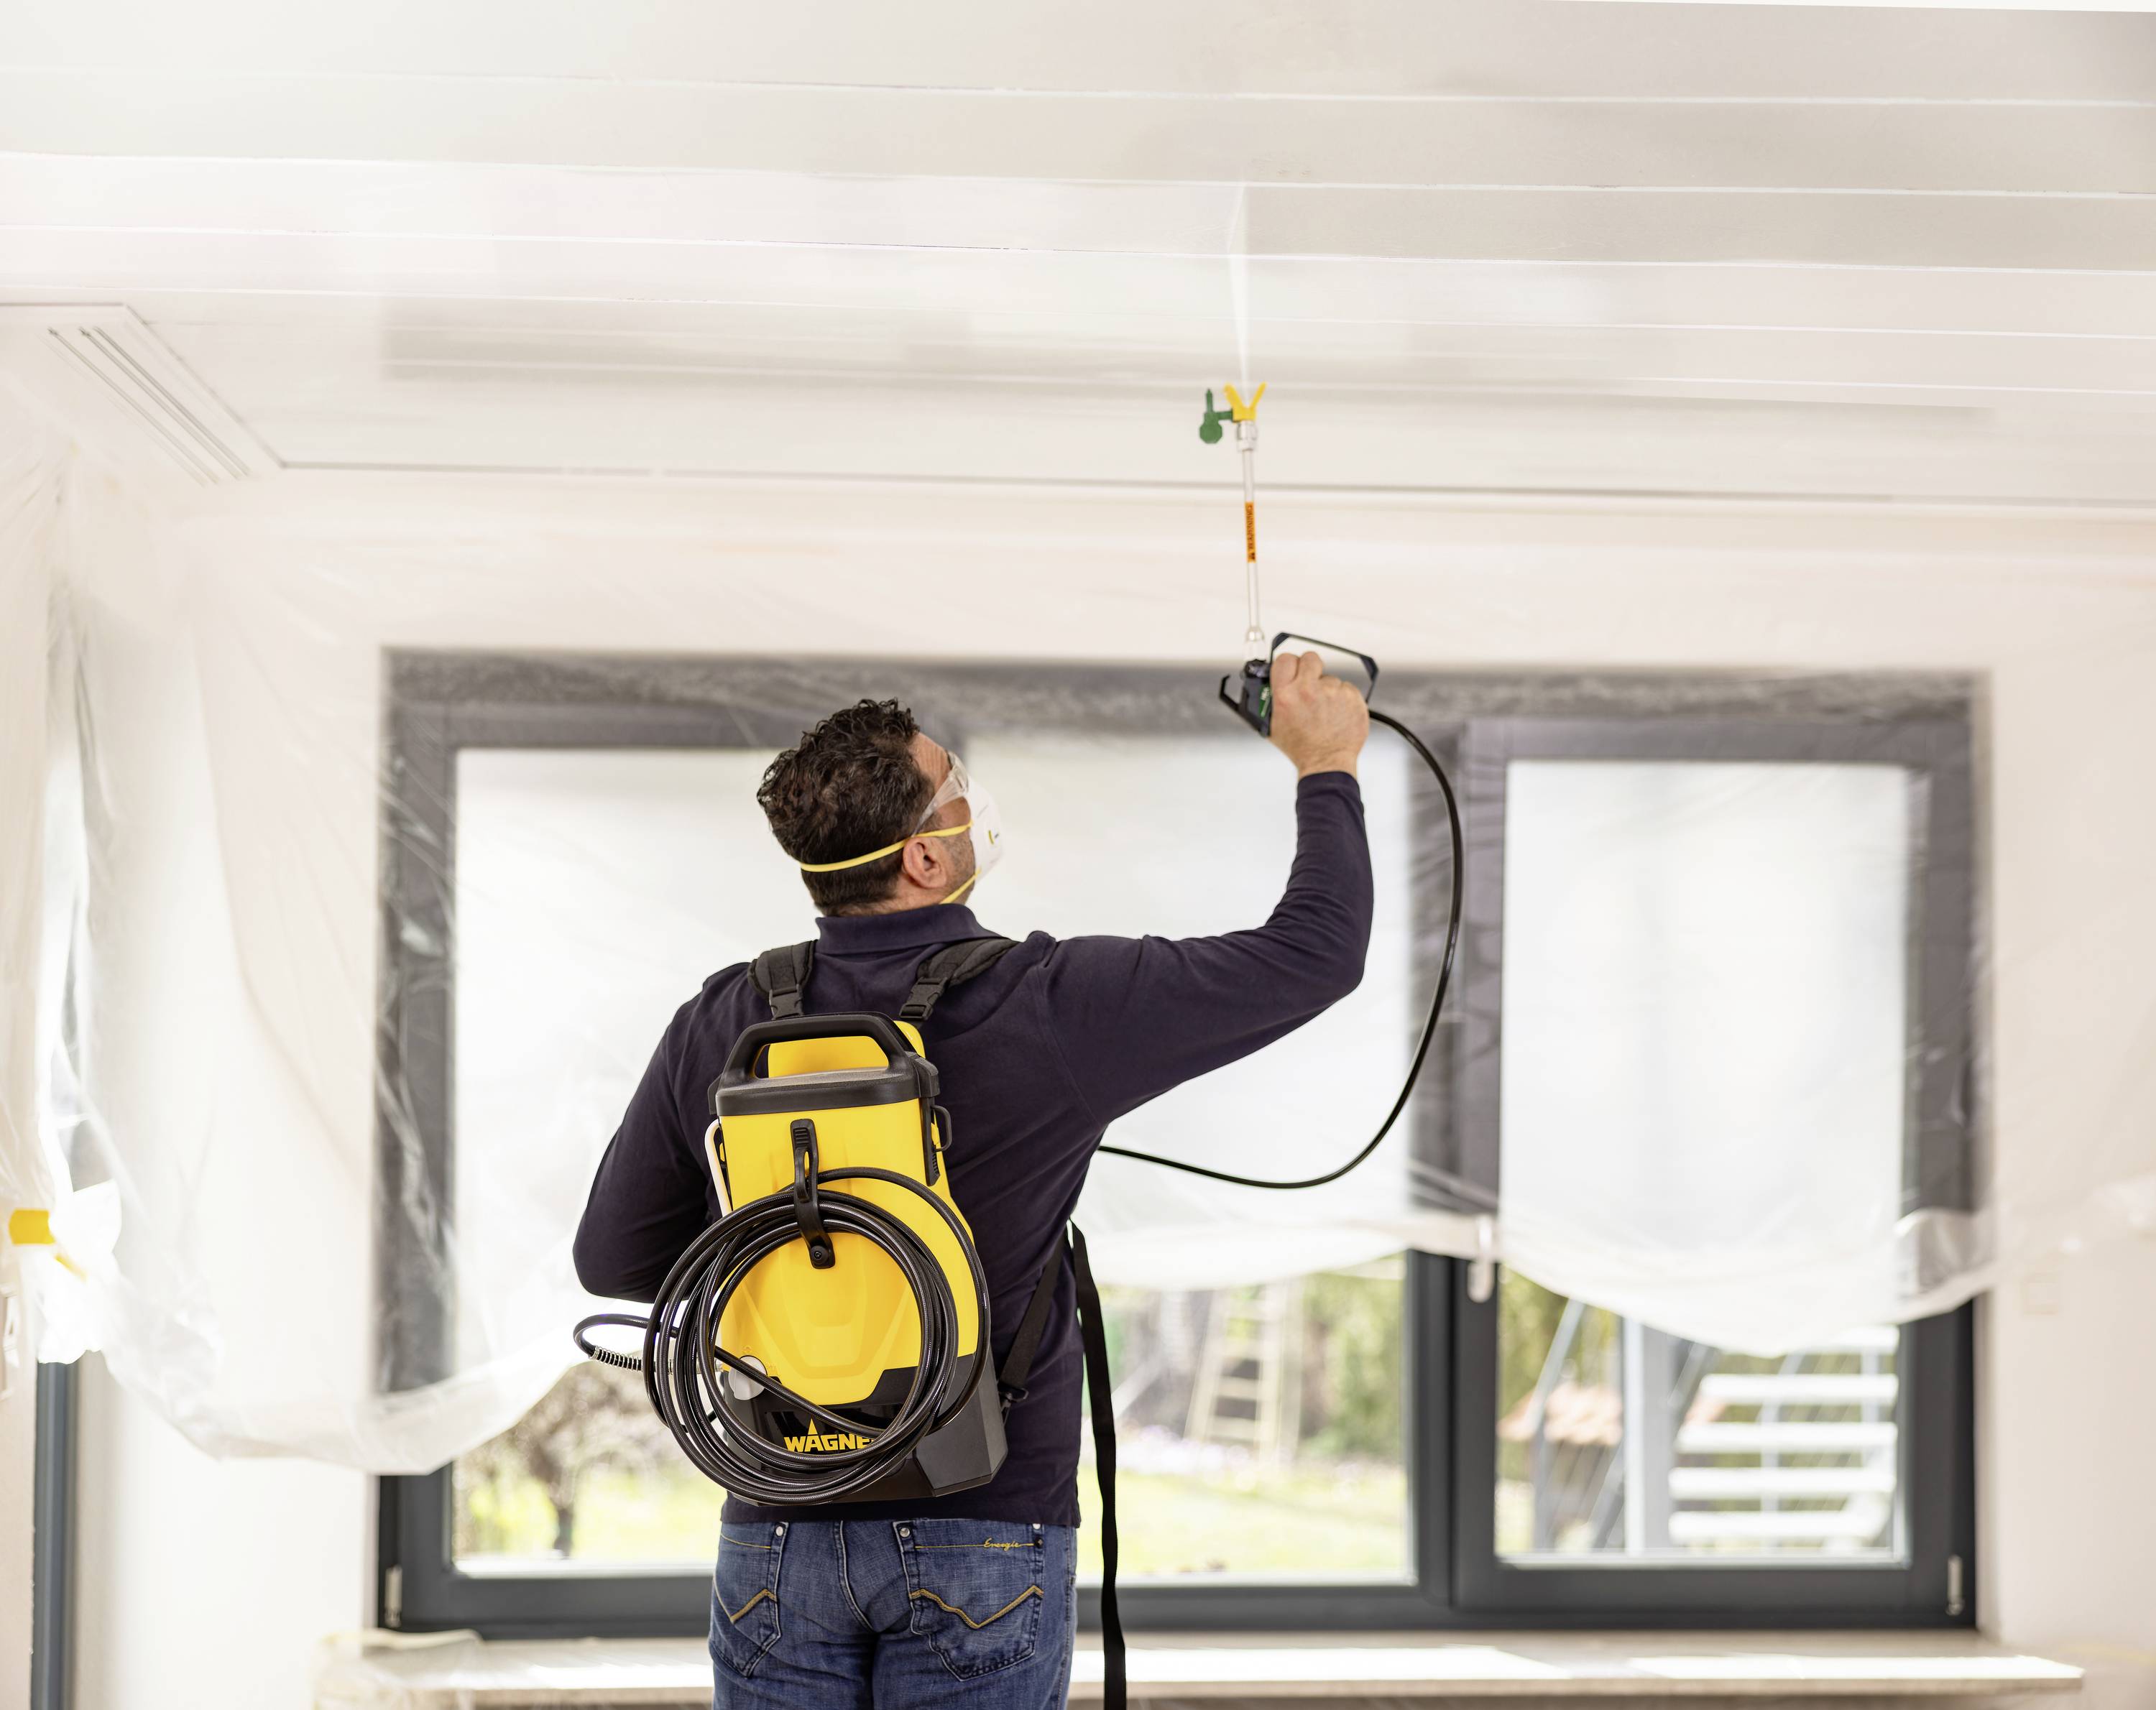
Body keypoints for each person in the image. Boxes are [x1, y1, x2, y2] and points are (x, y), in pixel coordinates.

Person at [573, 651, 1373, 1710]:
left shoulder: (724, 1018)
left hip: (777, 1534)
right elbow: (1316, 952)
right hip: (983, 1521)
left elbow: (614, 1257)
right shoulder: (1051, 1005)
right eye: (956, 783)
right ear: (925, 860)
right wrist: (1326, 764)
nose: (972, 798)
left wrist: (796, 1261)